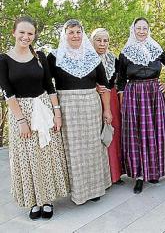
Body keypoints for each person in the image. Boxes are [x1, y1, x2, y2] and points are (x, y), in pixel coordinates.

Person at [0, 16, 69, 219]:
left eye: (30, 33)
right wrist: (21, 121)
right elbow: (7, 92)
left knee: (46, 155)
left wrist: (57, 113)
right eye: (22, 32)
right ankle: (33, 200)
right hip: (20, 113)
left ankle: (47, 200)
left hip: (43, 110)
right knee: (27, 158)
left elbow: (49, 85)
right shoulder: (3, 59)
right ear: (14, 33)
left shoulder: (40, 56)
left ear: (34, 35)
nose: (25, 36)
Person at [47, 19, 112, 205]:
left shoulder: (92, 57)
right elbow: (46, 85)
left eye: (78, 32)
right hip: (67, 106)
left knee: (93, 147)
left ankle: (95, 188)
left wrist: (107, 110)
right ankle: (77, 190)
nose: (75, 35)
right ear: (64, 34)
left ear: (82, 34)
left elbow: (104, 85)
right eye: (71, 32)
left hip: (91, 105)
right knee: (73, 150)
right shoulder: (55, 57)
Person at [117, 17, 165, 194]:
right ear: (133, 30)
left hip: (154, 93)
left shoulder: (156, 49)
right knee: (138, 135)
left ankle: (153, 171)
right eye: (138, 28)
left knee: (155, 133)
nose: (142, 31)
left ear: (148, 30)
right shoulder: (125, 52)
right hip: (134, 94)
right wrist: (123, 103)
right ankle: (140, 175)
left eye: (144, 28)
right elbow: (121, 80)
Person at [91, 28, 123, 184]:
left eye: (106, 40)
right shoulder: (86, 58)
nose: (102, 44)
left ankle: (115, 175)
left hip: (112, 100)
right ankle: (102, 176)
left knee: (112, 134)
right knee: (97, 136)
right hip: (93, 100)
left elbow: (120, 81)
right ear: (92, 41)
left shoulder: (113, 59)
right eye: (99, 40)